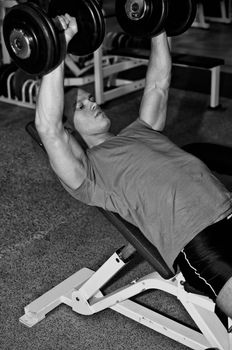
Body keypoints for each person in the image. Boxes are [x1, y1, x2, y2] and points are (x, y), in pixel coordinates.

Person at [35, 14, 232, 318]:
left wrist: (158, 22)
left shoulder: (142, 128)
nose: (93, 103)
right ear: (70, 129)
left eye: (89, 99)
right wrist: (58, 47)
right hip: (198, 240)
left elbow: (158, 83)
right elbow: (48, 128)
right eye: (80, 106)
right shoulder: (89, 173)